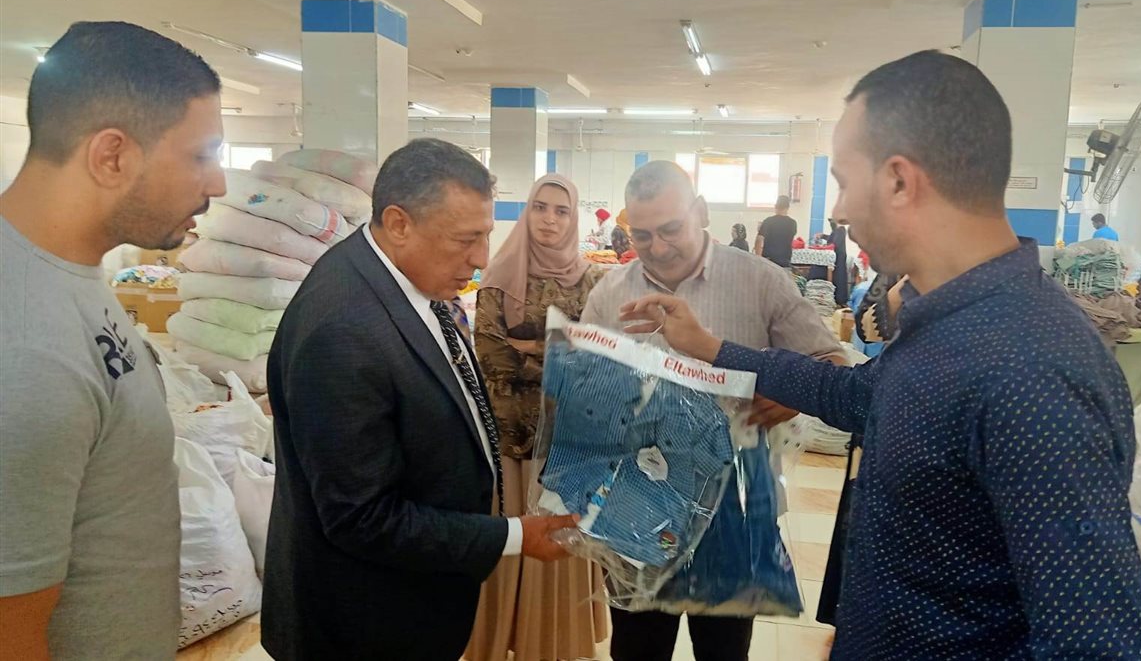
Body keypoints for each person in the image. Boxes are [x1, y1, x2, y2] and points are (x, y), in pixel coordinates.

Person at [619, 51, 1141, 658]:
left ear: (900, 180)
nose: (838, 210)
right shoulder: (948, 323)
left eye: (845, 181)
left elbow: (1098, 642)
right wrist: (711, 347)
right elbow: (853, 393)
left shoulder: (1033, 372)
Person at [262, 139, 576, 661]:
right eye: (465, 240)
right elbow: (362, 519)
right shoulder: (342, 330)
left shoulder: (402, 281)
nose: (480, 259)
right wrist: (514, 536)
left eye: (486, 236)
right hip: (365, 624)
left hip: (416, 600)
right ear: (399, 223)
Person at [0, 22, 225, 661]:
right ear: (113, 156)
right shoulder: (25, 347)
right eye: (201, 156)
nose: (217, 185)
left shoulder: (67, 275)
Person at [581, 160, 845, 661]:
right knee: (637, 647)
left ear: (700, 212)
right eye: (642, 235)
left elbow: (832, 364)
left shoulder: (760, 281)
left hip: (735, 503)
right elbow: (587, 388)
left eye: (671, 229)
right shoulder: (610, 292)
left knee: (723, 649)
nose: (659, 247)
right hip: (639, 504)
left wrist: (791, 393)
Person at [465, 174, 608, 661]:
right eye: (540, 207)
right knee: (509, 531)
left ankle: (552, 642)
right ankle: (499, 636)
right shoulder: (499, 276)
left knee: (559, 532)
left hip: (567, 438)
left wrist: (530, 348)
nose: (549, 219)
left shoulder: (593, 281)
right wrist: (558, 350)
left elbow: (599, 361)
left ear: (573, 218)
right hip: (508, 435)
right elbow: (491, 358)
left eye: (561, 211)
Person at [755, 194, 798, 268]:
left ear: (775, 206)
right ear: (788, 207)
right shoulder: (792, 223)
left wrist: (758, 258)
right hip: (785, 260)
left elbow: (759, 240)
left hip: (769, 260)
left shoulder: (768, 221)